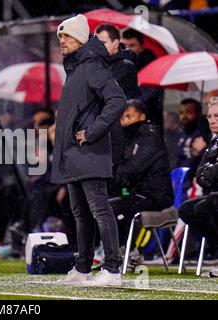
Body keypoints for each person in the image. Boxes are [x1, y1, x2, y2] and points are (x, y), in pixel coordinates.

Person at [51, 14, 126, 286]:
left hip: (89, 151)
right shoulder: (76, 67)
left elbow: (117, 100)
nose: (62, 41)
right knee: (81, 213)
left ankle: (112, 270)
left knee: (99, 210)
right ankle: (83, 268)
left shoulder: (92, 65)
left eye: (67, 36)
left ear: (81, 38)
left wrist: (92, 132)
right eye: (60, 37)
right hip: (74, 153)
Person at [110, 100, 173, 267]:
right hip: (138, 194)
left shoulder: (150, 137)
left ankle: (130, 252)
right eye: (122, 117)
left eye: (129, 116)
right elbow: (121, 169)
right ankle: (120, 250)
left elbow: (132, 168)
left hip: (157, 197)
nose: (125, 121)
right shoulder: (130, 139)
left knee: (115, 208)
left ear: (142, 116)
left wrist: (119, 178)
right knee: (107, 207)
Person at [95, 23, 140, 197]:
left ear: (116, 43)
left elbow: (104, 96)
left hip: (118, 136)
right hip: (103, 137)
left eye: (104, 42)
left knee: (114, 190)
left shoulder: (124, 66)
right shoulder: (97, 67)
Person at [179, 97, 218, 265]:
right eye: (209, 116)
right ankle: (214, 247)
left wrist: (211, 171)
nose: (212, 120)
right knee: (186, 209)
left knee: (208, 204)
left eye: (217, 116)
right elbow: (202, 176)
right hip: (213, 193)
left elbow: (208, 174)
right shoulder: (213, 141)